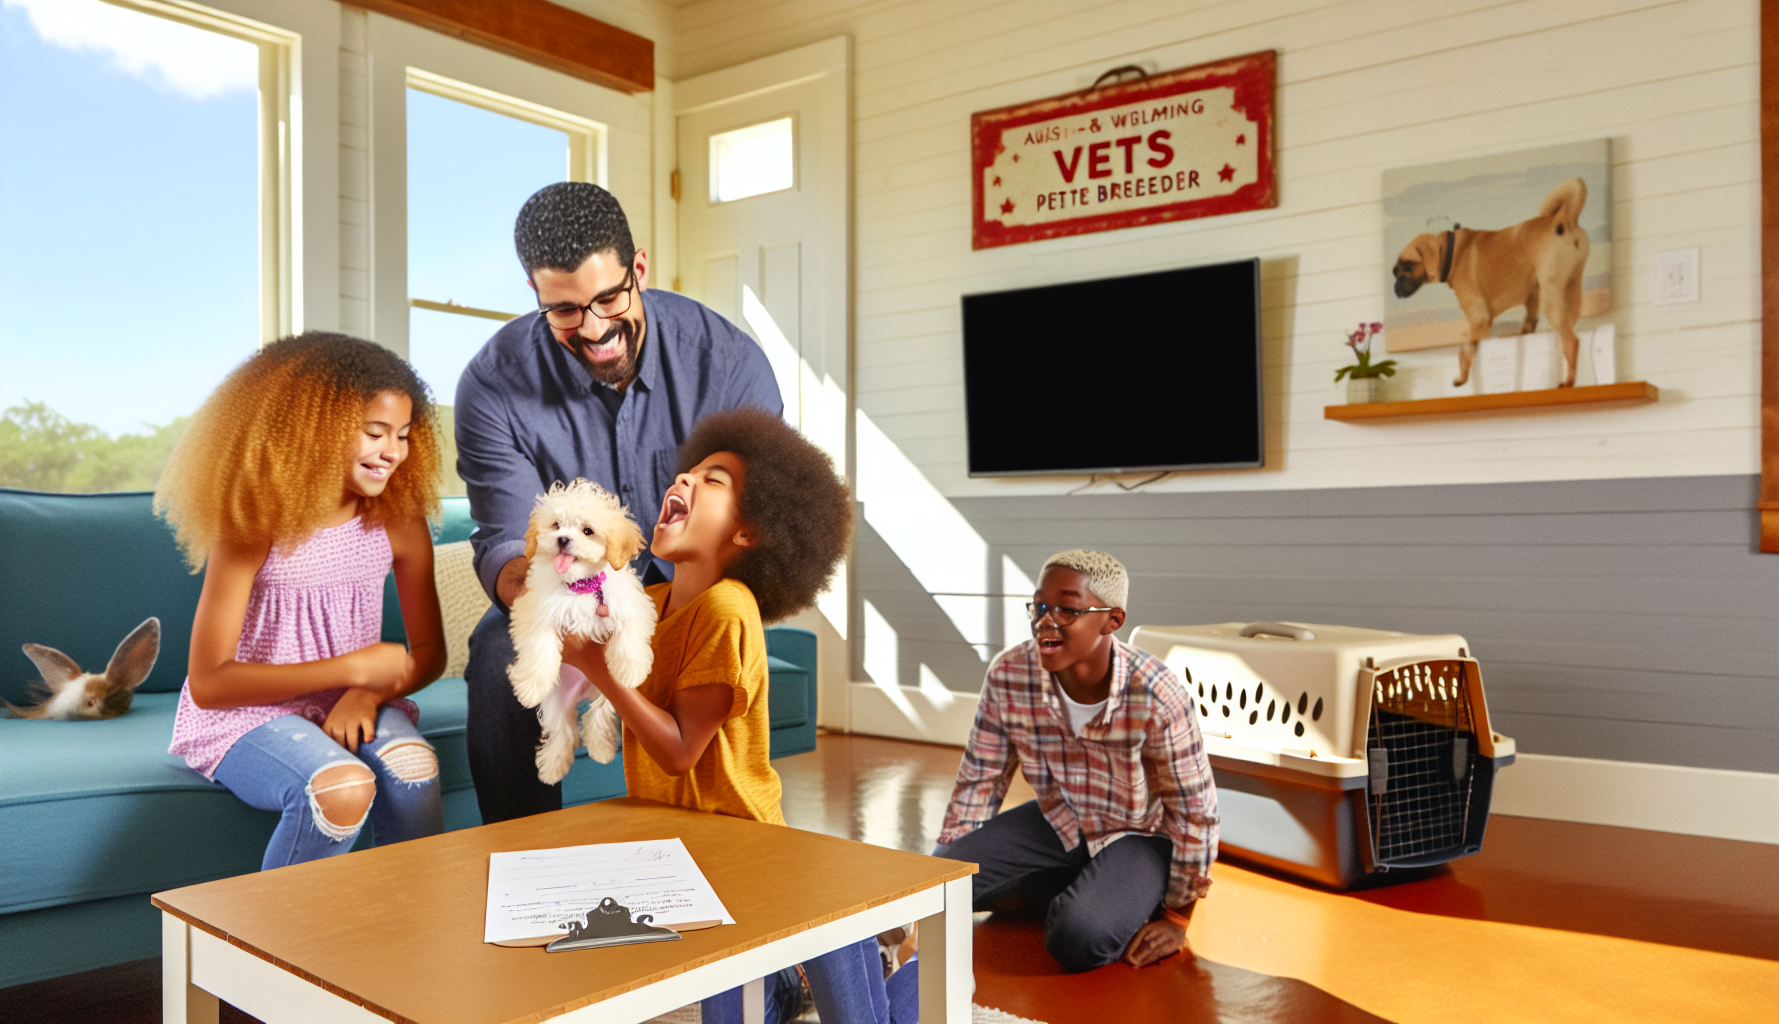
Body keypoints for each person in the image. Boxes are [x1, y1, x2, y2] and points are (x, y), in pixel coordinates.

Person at [560, 407, 910, 1024]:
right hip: (682, 853)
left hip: (747, 850)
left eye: (713, 479)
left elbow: (678, 752)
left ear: (749, 533)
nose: (686, 480)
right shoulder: (653, 603)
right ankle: (805, 977)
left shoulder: (727, 608)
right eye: (687, 471)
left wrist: (596, 667)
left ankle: (905, 967)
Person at [456, 181, 782, 824]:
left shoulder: (731, 365)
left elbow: (755, 522)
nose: (598, 330)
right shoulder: (492, 386)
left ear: (638, 268)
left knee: (721, 620)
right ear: (537, 296)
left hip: (696, 591)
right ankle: (523, 865)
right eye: (568, 311)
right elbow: (511, 546)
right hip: (567, 593)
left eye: (610, 298)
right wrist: (579, 621)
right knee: (499, 656)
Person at [158, 332, 448, 870]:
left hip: (350, 703)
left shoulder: (400, 523)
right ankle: (268, 954)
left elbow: (430, 651)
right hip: (245, 715)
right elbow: (210, 682)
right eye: (374, 433)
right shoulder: (254, 524)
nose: (393, 452)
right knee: (340, 788)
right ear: (314, 429)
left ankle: (413, 934)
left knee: (414, 768)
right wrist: (352, 667)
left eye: (404, 435)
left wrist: (366, 691)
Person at [934, 550, 1219, 973]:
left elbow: (1196, 814)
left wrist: (1178, 918)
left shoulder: (1158, 693)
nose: (1045, 622)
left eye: (1067, 610)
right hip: (1060, 820)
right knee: (938, 889)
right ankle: (1077, 884)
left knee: (1077, 938)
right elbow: (981, 780)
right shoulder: (1009, 674)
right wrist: (947, 869)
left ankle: (1110, 892)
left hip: (1140, 833)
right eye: (1040, 607)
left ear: (1112, 620)